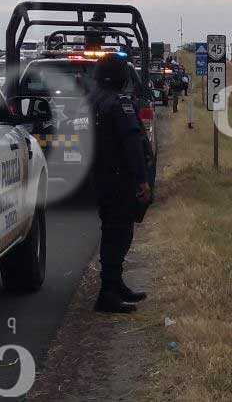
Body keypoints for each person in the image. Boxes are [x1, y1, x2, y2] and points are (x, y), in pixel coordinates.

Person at [88, 54, 154, 313]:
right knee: (120, 234)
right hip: (119, 180)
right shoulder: (121, 104)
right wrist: (142, 180)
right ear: (122, 78)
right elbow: (132, 144)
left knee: (111, 232)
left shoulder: (92, 102)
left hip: (102, 178)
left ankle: (115, 285)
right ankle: (108, 293)